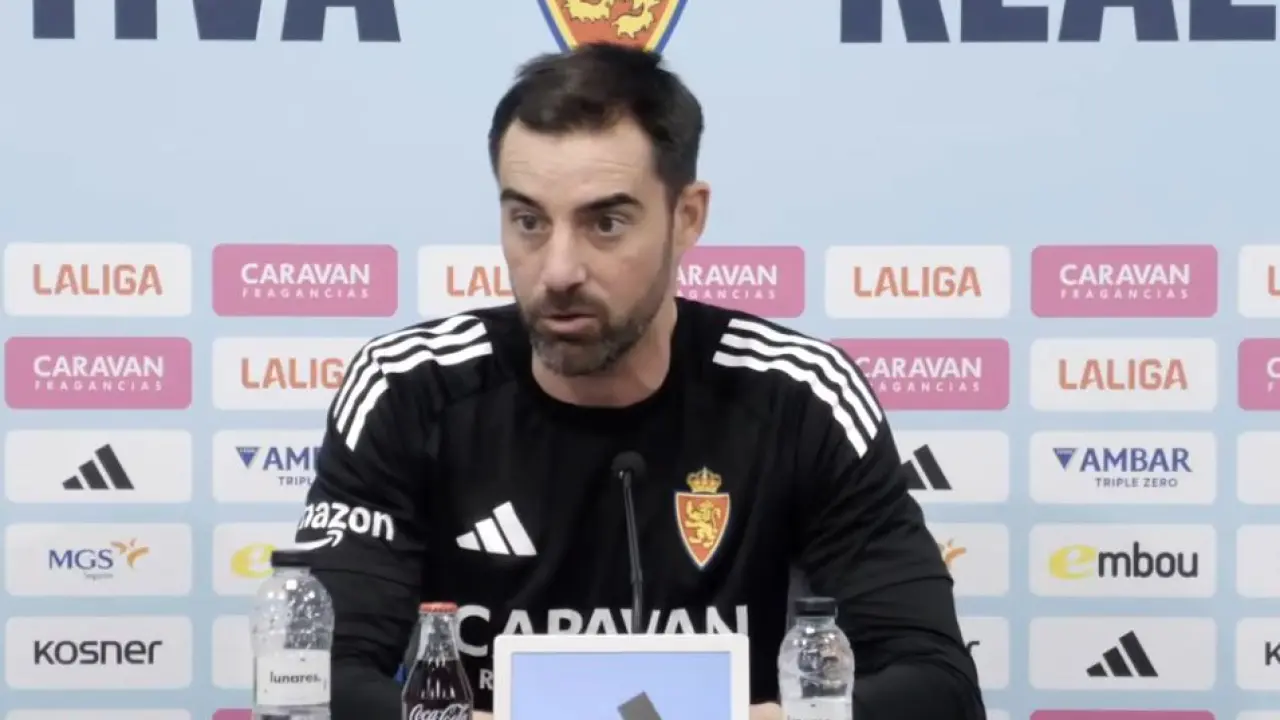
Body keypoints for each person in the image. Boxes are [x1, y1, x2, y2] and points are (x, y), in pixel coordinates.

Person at [295, 42, 984, 720]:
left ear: (687, 218)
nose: (559, 270)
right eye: (528, 221)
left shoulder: (800, 396)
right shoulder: (407, 391)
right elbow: (313, 681)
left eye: (606, 223)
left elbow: (938, 686)